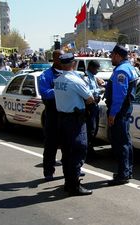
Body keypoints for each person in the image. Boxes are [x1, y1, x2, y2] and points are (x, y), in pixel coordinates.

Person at [54, 53, 94, 196]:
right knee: (78, 150)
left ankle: (68, 182)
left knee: (67, 152)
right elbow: (89, 99)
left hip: (62, 119)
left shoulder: (58, 80)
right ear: (73, 64)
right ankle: (74, 185)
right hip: (75, 120)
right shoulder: (75, 81)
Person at [106, 45, 138, 186]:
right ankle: (127, 171)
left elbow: (120, 95)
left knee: (120, 143)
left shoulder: (121, 71)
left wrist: (113, 114)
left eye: (112, 55)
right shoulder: (129, 67)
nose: (111, 58)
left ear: (118, 56)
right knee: (126, 141)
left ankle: (123, 174)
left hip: (120, 111)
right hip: (125, 109)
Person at [38, 50, 64, 181]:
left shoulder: (69, 73)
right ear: (54, 59)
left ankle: (71, 168)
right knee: (51, 144)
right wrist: (61, 88)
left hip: (67, 113)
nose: (62, 59)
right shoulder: (45, 75)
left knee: (69, 143)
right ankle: (49, 171)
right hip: (53, 113)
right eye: (60, 57)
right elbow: (45, 93)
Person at [85, 60, 103, 158]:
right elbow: (86, 91)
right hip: (89, 106)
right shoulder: (85, 77)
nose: (97, 71)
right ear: (91, 67)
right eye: (96, 69)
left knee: (94, 128)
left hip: (95, 105)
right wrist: (100, 90)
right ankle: (87, 151)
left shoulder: (93, 77)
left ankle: (90, 148)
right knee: (90, 129)